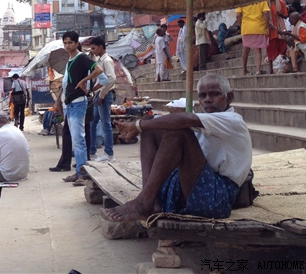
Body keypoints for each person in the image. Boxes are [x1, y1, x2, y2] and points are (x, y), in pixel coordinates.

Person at [102, 74, 251, 222]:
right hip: (197, 183)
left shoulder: (233, 120)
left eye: (215, 94)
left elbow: (185, 119)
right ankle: (150, 201)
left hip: (217, 196)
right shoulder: (208, 119)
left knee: (179, 132)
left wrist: (137, 126)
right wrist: (143, 125)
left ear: (229, 97)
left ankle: (143, 202)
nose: (207, 99)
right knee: (150, 127)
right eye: (203, 95)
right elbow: (169, 122)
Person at [59, 30, 103, 186]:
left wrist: (85, 81)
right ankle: (79, 171)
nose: (67, 45)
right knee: (76, 140)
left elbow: (99, 71)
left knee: (79, 140)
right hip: (70, 104)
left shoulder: (81, 57)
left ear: (76, 43)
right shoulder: (70, 61)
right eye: (65, 43)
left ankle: (83, 174)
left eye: (70, 42)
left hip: (79, 103)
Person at [89, 36, 117, 163]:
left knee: (105, 124)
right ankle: (92, 151)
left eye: (94, 48)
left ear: (100, 47)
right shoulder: (100, 60)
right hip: (99, 95)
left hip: (105, 95)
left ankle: (109, 153)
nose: (93, 51)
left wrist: (101, 95)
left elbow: (111, 79)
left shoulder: (107, 60)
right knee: (93, 123)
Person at [236, 1, 271, 75]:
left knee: (246, 49)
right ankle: (258, 70)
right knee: (258, 50)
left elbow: (238, 15)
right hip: (258, 27)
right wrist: (267, 27)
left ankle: (244, 70)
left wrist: (241, 25)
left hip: (246, 28)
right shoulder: (262, 0)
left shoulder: (242, 0)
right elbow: (265, 13)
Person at [266, 0, 289, 73]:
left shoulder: (281, 2)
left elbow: (286, 16)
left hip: (280, 29)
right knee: (270, 49)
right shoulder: (265, 3)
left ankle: (282, 68)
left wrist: (280, 14)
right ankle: (271, 69)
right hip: (270, 30)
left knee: (282, 48)